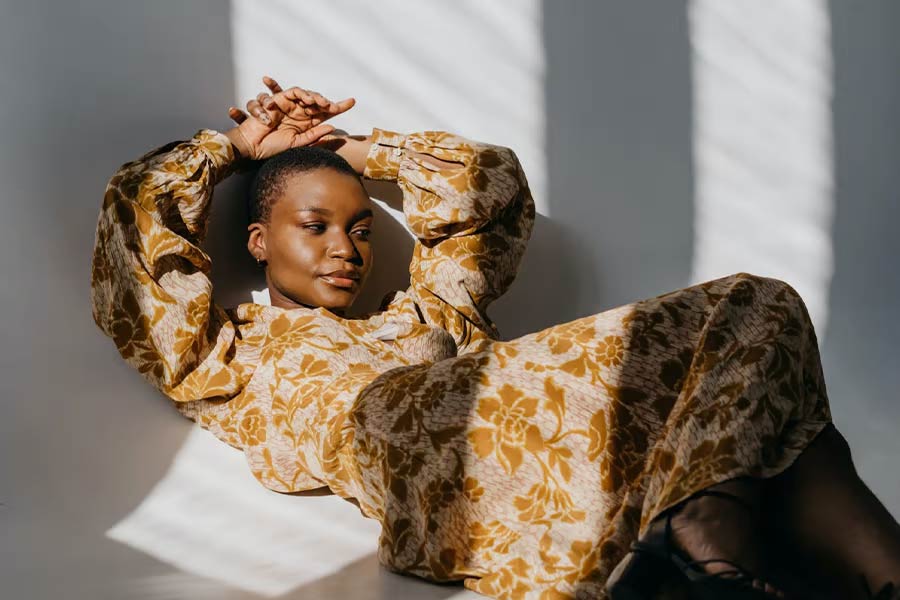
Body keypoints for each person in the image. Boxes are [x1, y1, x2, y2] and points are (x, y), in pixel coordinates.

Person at [90, 76, 900, 600]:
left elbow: (494, 188)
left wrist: (352, 150)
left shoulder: (432, 314)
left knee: (767, 325)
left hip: (568, 446)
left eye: (362, 227)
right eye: (316, 225)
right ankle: (703, 546)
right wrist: (234, 152)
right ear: (259, 242)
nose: (347, 248)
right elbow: (135, 224)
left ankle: (725, 555)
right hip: (434, 473)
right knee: (770, 364)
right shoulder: (233, 354)